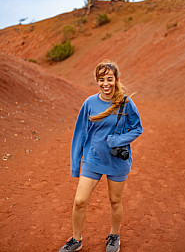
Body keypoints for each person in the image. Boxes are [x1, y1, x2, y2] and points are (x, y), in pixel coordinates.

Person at [59, 60, 143, 252]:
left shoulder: (125, 103)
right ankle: (76, 239)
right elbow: (80, 133)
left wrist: (119, 140)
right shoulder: (89, 103)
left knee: (115, 201)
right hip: (93, 159)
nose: (106, 83)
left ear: (116, 80)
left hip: (117, 161)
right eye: (101, 79)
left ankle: (114, 236)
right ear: (97, 81)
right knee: (79, 201)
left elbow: (138, 128)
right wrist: (75, 165)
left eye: (109, 79)